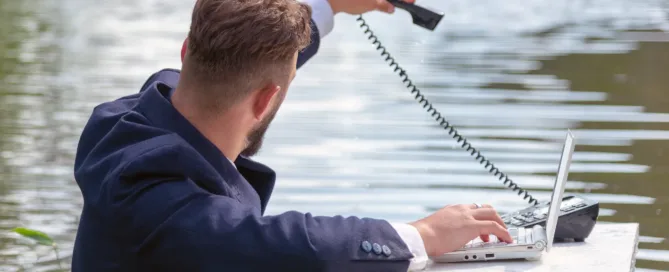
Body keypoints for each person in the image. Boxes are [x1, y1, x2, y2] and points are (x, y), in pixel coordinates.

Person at [71, 0, 512, 271]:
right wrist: (420, 235)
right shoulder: (159, 200)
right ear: (266, 102)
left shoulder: (129, 118)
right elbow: (288, 244)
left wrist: (329, 5)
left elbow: (244, 59)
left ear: (186, 52)